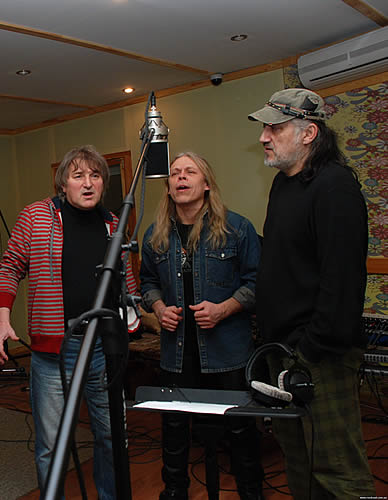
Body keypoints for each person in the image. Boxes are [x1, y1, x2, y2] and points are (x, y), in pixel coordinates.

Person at [0, 145, 140, 499]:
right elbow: (10, 268)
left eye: (95, 176)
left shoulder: (113, 224)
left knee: (112, 437)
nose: (88, 183)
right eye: (78, 176)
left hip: (103, 350)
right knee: (52, 446)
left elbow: (127, 284)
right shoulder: (36, 216)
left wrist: (136, 317)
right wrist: (2, 318)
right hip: (54, 354)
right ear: (63, 184)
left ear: (103, 183)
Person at [248, 88, 375, 498]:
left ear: (308, 134)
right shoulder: (282, 185)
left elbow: (342, 282)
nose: (264, 137)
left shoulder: (335, 186)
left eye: (275, 128)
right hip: (281, 350)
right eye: (265, 128)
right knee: (299, 462)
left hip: (319, 356)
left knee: (337, 471)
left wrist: (310, 350)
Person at [140, 152, 264, 500]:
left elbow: (258, 283)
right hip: (176, 354)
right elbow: (147, 282)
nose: (180, 177)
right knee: (174, 430)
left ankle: (251, 493)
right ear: (168, 187)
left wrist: (223, 309)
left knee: (241, 431)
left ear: (206, 184)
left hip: (228, 352)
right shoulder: (154, 235)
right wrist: (159, 308)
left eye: (189, 172)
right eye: (175, 173)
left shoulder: (238, 229)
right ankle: (174, 492)